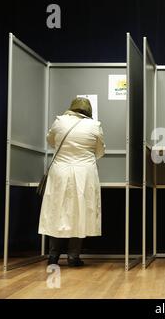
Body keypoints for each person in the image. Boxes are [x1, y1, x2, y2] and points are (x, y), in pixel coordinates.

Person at [38, 97, 105, 267]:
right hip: (85, 172)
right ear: (88, 111)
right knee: (79, 213)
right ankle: (73, 257)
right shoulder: (94, 126)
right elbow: (100, 151)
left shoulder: (59, 122)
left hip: (60, 171)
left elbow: (51, 141)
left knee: (56, 211)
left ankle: (53, 256)